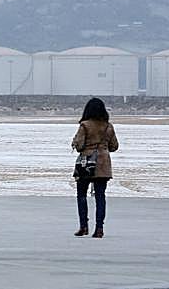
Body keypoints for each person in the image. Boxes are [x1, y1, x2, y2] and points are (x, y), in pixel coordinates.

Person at [71, 97, 119, 238]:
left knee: (81, 195)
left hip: (86, 162)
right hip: (103, 164)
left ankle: (83, 226)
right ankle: (99, 228)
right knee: (100, 196)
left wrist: (76, 143)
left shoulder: (85, 125)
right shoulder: (108, 126)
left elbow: (79, 145)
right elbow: (114, 146)